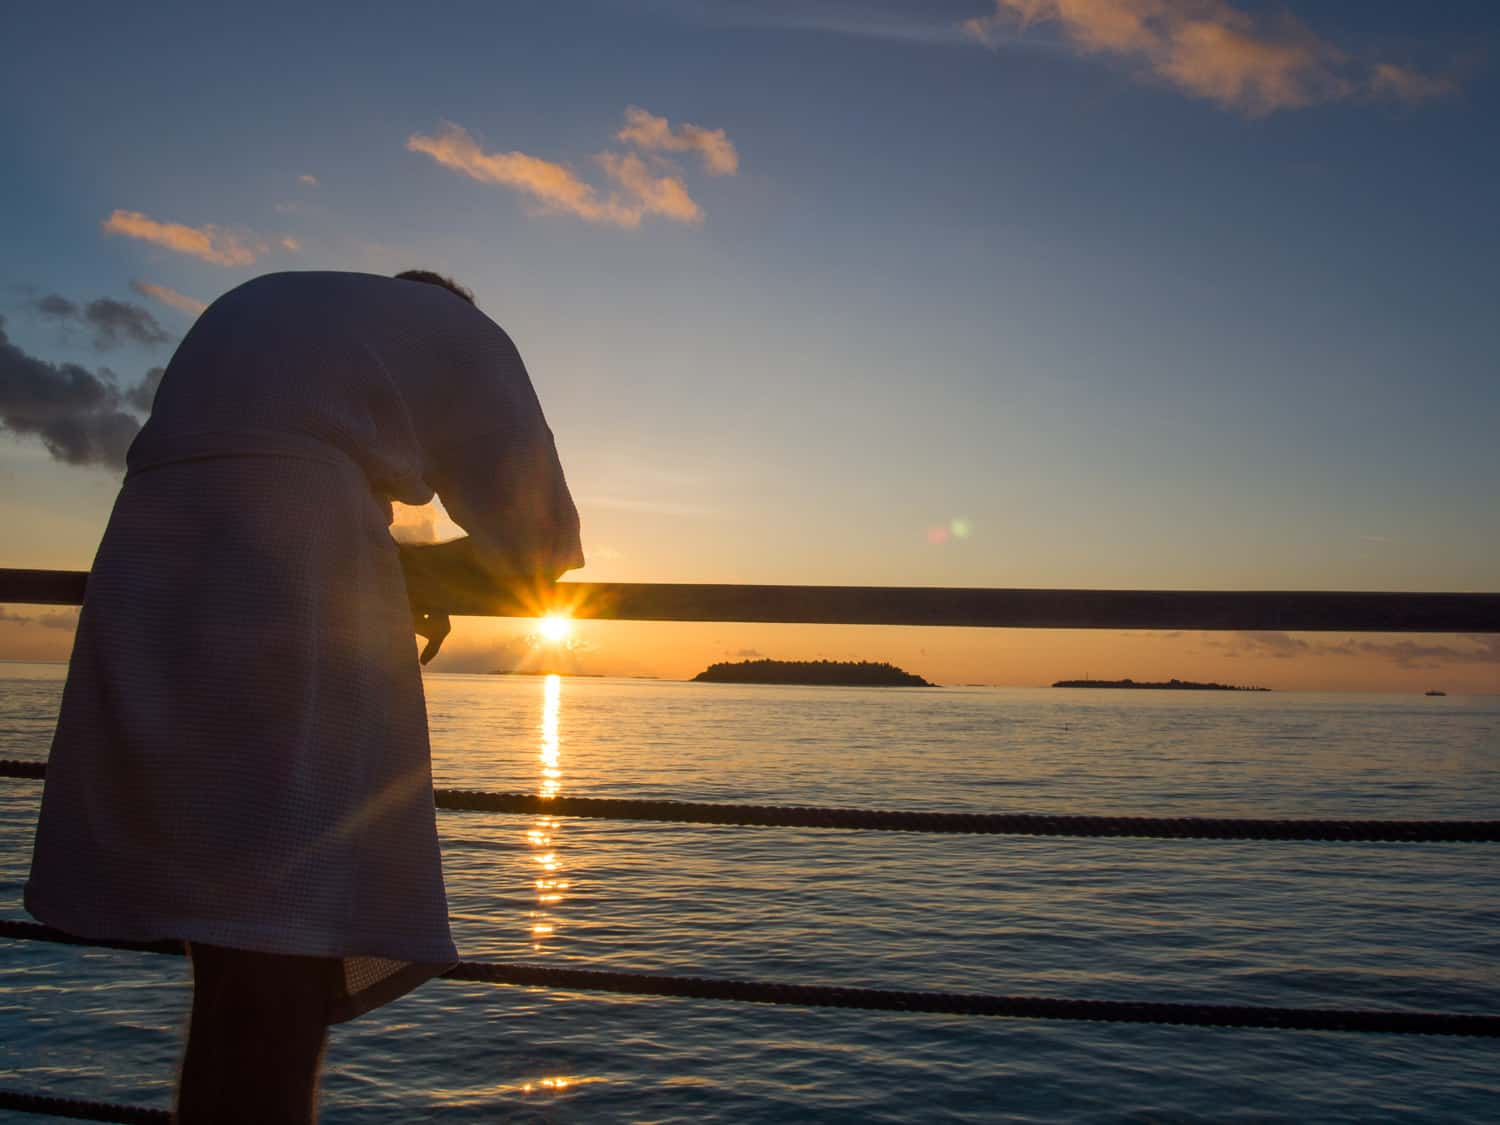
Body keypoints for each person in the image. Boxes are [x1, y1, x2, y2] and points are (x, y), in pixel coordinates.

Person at [25, 270, 583, 1123]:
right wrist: (406, 569)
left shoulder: (280, 305)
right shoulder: (468, 334)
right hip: (287, 557)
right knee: (282, 956)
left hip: (144, 551)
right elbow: (543, 548)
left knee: (228, 955)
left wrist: (389, 559)